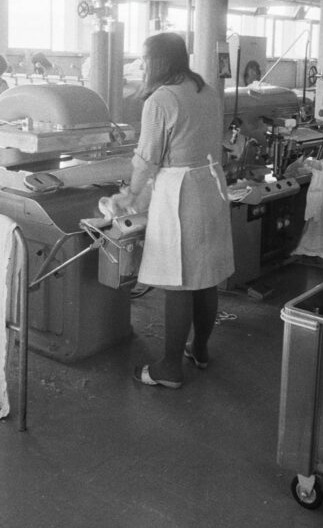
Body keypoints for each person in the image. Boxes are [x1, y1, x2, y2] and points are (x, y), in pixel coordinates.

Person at [114, 32, 234, 389]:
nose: (143, 65)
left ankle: (169, 368)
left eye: (146, 59)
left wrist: (130, 195)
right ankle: (198, 349)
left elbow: (148, 156)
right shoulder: (206, 91)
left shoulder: (162, 99)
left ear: (160, 61)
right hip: (211, 187)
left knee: (178, 280)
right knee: (205, 276)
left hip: (181, 193)